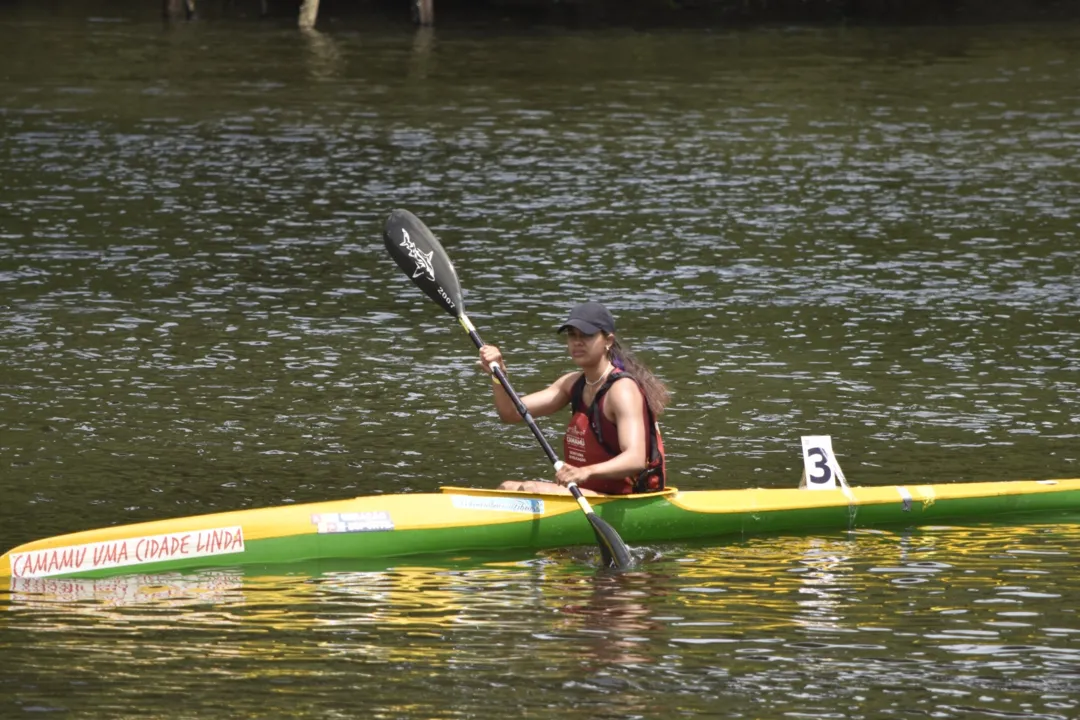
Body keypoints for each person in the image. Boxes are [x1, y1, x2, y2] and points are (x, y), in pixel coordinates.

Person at [478, 301, 668, 495]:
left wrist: (585, 471)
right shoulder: (572, 383)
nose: (577, 342)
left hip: (624, 497)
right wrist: (498, 375)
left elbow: (635, 459)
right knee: (507, 487)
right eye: (572, 335)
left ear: (608, 341)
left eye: (586, 335)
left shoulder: (622, 390)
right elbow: (510, 413)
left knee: (530, 489)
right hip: (587, 491)